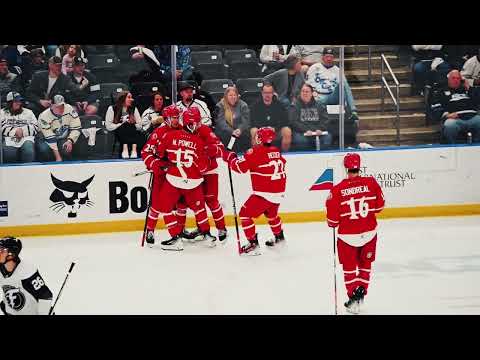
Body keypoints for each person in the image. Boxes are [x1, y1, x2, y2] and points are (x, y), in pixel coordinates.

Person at [325, 153, 385, 314]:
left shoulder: (337, 190)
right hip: (370, 234)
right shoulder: (371, 183)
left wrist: (331, 220)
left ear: (346, 168)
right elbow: (379, 207)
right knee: (365, 265)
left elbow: (332, 221)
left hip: (347, 237)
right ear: (359, 167)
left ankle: (353, 298)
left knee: (349, 269)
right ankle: (361, 295)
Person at [153, 107, 216, 251]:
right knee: (199, 209)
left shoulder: (170, 136)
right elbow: (203, 168)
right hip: (193, 182)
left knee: (164, 207)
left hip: (174, 179)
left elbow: (159, 153)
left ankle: (176, 238)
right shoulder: (199, 142)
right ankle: (207, 235)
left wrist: (163, 163)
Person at [221, 126, 287, 256]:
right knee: (271, 215)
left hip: (264, 194)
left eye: (257, 136)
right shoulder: (276, 151)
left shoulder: (255, 151)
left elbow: (239, 168)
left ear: (260, 138)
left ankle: (252, 244)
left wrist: (230, 158)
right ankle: (279, 237)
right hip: (279, 193)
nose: (255, 138)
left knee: (245, 214)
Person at [175, 107, 228, 244]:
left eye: (196, 122)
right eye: (191, 122)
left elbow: (220, 149)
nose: (195, 125)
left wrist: (207, 150)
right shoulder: (182, 131)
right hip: (193, 173)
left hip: (209, 171)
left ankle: (222, 228)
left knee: (211, 200)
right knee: (192, 203)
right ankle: (201, 229)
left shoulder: (205, 130)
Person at [141, 105, 182, 246]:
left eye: (177, 117)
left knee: (178, 204)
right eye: (173, 117)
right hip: (161, 174)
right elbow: (146, 152)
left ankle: (178, 231)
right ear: (166, 118)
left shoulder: (182, 130)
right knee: (158, 204)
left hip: (177, 174)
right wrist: (154, 164)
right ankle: (151, 230)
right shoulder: (159, 132)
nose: (176, 120)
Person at [0, 236, 53, 315]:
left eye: (2, 250)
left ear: (11, 254)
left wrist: (44, 312)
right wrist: (5, 305)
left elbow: (45, 295)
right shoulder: (1, 270)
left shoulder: (27, 270)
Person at [306, 47, 359, 122]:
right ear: (322, 57)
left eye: (331, 57)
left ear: (334, 58)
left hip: (332, 96)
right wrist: (312, 96)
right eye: (327, 56)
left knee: (343, 85)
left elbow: (345, 89)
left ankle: (353, 111)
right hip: (319, 97)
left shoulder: (338, 70)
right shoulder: (314, 68)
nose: (329, 59)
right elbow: (307, 85)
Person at [430, 70, 480, 144]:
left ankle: (477, 145)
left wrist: (469, 88)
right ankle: (452, 146)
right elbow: (435, 106)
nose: (456, 80)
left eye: (458, 78)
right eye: (453, 78)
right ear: (448, 79)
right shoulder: (441, 91)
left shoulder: (467, 90)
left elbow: (477, 101)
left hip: (472, 117)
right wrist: (446, 115)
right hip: (455, 118)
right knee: (449, 125)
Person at [37, 94, 82, 162]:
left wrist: (70, 141)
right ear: (51, 106)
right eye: (58, 107)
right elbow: (50, 138)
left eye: (62, 106)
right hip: (45, 138)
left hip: (61, 136)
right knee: (45, 150)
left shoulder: (69, 109)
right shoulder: (43, 116)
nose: (61, 109)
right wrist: (58, 157)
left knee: (66, 149)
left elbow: (76, 127)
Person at [289, 84, 332, 151]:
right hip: (302, 132)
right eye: (303, 91)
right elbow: (294, 122)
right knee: (300, 140)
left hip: (318, 132)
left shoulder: (319, 105)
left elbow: (326, 120)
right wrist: (306, 130)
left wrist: (320, 129)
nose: (304, 93)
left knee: (327, 138)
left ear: (312, 93)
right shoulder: (295, 105)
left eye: (307, 92)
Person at [250, 83, 292, 152]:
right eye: (265, 92)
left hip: (276, 131)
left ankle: (285, 154)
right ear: (262, 93)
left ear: (273, 93)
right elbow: (253, 122)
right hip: (261, 131)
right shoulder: (255, 106)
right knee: (253, 130)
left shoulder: (280, 105)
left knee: (287, 130)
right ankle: (258, 155)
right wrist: (264, 129)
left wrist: (275, 128)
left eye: (269, 92)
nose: (267, 95)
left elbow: (285, 121)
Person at [1, 92, 38, 163]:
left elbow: (35, 127)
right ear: (9, 103)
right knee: (9, 153)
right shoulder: (2, 113)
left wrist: (22, 131)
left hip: (26, 137)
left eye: (19, 101)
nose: (19, 103)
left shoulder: (28, 112)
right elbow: (1, 126)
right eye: (16, 101)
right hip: (8, 138)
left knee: (28, 150)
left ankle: (28, 170)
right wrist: (15, 132)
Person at [105, 91, 143, 159]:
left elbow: (140, 126)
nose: (132, 99)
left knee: (130, 125)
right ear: (122, 99)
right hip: (118, 133)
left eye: (131, 97)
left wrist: (131, 123)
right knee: (124, 126)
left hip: (132, 132)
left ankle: (133, 150)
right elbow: (108, 126)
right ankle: (125, 149)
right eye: (129, 97)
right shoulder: (112, 108)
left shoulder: (134, 109)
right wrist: (121, 124)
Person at [214, 86, 251, 153]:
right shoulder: (219, 105)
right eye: (230, 95)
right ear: (226, 96)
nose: (233, 97)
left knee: (246, 134)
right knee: (225, 136)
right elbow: (220, 121)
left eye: (234, 95)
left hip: (239, 131)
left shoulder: (243, 105)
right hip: (225, 131)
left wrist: (240, 129)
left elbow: (246, 121)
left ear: (237, 96)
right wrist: (231, 131)